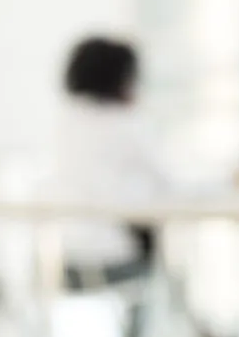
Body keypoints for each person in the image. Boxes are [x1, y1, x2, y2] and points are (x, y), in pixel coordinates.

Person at [51, 37, 165, 279]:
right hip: (117, 262)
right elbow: (166, 181)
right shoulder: (126, 125)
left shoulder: (66, 122)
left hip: (71, 260)